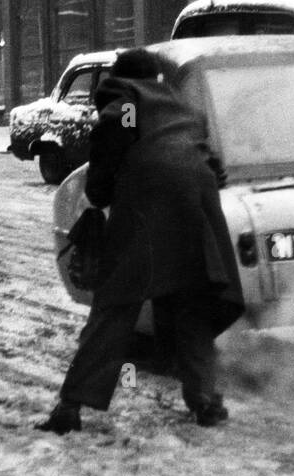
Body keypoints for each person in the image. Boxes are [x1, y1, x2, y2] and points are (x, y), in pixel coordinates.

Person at [37, 48, 244, 434]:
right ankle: (206, 403)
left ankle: (70, 408)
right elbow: (212, 166)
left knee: (114, 310)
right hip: (196, 210)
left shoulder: (123, 107)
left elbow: (102, 180)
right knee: (190, 307)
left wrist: (100, 195)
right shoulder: (184, 111)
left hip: (149, 213)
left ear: (121, 78)